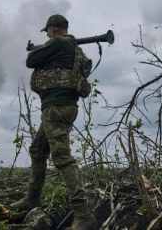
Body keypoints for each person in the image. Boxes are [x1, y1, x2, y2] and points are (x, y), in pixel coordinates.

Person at [11, 14, 97, 230]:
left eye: (47, 31)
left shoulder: (58, 43)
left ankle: (84, 215)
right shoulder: (72, 47)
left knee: (62, 158)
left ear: (52, 29)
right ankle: (32, 198)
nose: (47, 34)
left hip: (56, 108)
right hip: (60, 107)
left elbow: (30, 61)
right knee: (38, 150)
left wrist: (44, 47)